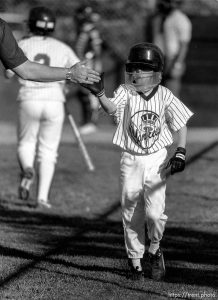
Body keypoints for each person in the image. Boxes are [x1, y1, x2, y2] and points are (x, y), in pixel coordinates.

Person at [82, 42, 193, 280]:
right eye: (134, 68)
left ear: (156, 71)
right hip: (130, 159)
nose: (137, 73)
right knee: (131, 212)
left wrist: (181, 151)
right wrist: (100, 93)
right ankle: (135, 261)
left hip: (157, 160)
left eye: (144, 68)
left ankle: (154, 249)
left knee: (154, 214)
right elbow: (112, 109)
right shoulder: (126, 91)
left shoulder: (164, 94)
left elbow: (180, 123)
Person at [4, 6, 82, 208]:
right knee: (49, 151)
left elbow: (9, 73)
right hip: (55, 100)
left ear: (31, 24)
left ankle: (28, 168)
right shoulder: (62, 47)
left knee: (26, 143)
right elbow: (78, 69)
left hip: (29, 98)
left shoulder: (23, 43)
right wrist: (67, 85)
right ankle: (42, 198)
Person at [151, 0, 192, 97]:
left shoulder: (181, 19)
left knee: (171, 95)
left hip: (172, 59)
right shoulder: (164, 18)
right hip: (159, 58)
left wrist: (177, 64)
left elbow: (184, 45)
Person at [74, 5, 103, 135]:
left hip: (91, 66)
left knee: (90, 95)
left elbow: (97, 49)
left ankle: (91, 123)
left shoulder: (91, 30)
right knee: (83, 94)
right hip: (85, 65)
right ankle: (87, 121)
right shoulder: (82, 30)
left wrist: (89, 59)